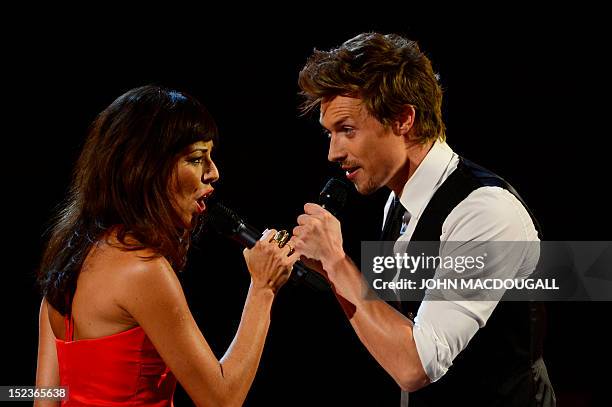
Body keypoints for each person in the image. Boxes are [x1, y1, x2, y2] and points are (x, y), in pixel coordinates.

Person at [292, 33, 555, 406]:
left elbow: (416, 365)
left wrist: (338, 261)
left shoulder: (485, 212)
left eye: (347, 130)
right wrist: (330, 272)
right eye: (329, 133)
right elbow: (394, 332)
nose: (333, 152)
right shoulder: (398, 202)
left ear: (403, 119)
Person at [35, 85, 299, 406]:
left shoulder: (68, 261)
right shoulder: (142, 269)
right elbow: (221, 399)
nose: (213, 173)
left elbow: (45, 396)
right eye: (197, 158)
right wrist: (263, 288)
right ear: (147, 167)